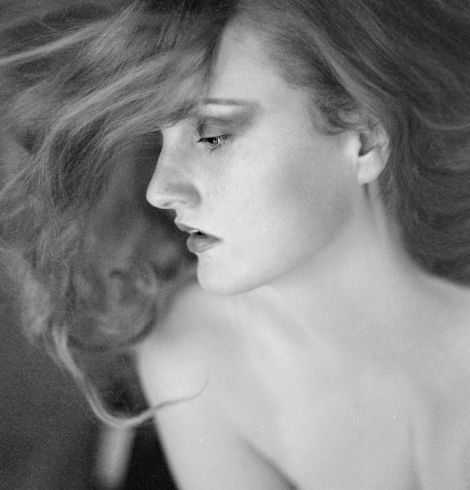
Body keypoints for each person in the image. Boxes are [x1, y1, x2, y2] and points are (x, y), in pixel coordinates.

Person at [1, 0, 470, 489]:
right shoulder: (194, 355)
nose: (161, 189)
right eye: (161, 141)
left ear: (365, 141)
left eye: (213, 137)